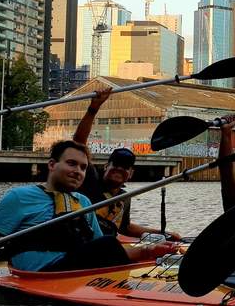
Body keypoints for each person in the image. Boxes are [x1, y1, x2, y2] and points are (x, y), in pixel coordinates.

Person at [0, 140, 176, 271]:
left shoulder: (82, 202)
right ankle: (145, 253)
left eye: (83, 167)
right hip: (39, 269)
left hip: (74, 266)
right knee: (108, 246)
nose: (78, 171)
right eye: (71, 164)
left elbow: (99, 242)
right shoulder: (19, 197)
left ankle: (148, 253)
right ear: (52, 165)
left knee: (107, 243)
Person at [72, 87, 181, 240]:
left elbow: (126, 227)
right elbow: (79, 144)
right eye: (115, 165)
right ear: (105, 167)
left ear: (130, 174)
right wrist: (93, 109)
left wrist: (162, 234)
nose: (119, 169)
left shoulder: (124, 198)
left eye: (125, 167)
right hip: (89, 242)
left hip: (111, 242)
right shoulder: (90, 180)